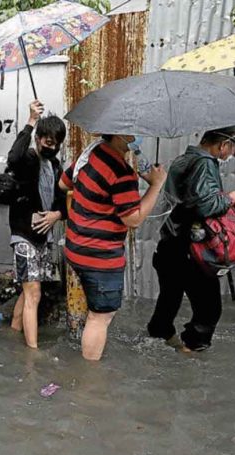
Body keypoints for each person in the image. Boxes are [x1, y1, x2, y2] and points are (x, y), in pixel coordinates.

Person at [59, 134, 167, 360]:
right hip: (100, 257)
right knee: (100, 317)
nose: (138, 137)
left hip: (75, 248)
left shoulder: (90, 153)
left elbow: (62, 183)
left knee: (94, 314)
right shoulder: (121, 172)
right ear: (121, 134)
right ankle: (90, 380)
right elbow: (133, 220)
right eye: (134, 132)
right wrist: (156, 185)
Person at [147, 126, 235, 351]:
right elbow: (205, 205)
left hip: (170, 245)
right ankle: (192, 353)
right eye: (231, 149)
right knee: (209, 309)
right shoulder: (205, 163)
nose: (230, 155)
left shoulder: (182, 160)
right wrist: (230, 198)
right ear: (223, 145)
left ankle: (159, 337)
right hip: (192, 250)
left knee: (169, 299)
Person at [6, 100, 68, 349]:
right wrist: (31, 121)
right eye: (48, 142)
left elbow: (63, 202)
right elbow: (13, 157)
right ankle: (32, 353)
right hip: (24, 237)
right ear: (39, 139)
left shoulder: (54, 166)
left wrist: (56, 215)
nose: (52, 148)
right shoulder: (28, 161)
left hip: (44, 237)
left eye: (56, 144)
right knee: (34, 294)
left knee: (28, 291)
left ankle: (14, 331)